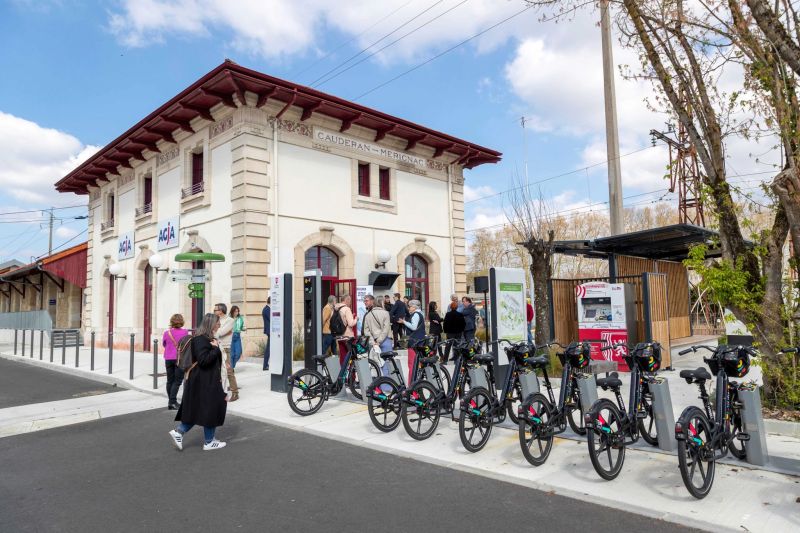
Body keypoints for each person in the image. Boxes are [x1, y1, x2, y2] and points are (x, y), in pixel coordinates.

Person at [168, 313, 228, 451]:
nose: (219, 325)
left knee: (200, 409)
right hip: (204, 381)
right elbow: (203, 360)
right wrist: (215, 349)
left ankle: (180, 432)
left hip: (204, 380)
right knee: (210, 408)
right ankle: (208, 441)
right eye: (218, 322)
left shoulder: (206, 339)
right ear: (211, 324)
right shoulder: (201, 340)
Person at [162, 313, 189, 410]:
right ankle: (172, 402)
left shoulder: (166, 333)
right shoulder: (185, 332)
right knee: (177, 381)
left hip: (168, 358)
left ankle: (171, 401)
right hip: (179, 359)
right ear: (182, 322)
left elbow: (164, 344)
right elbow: (186, 345)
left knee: (170, 380)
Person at [361, 294, 392, 376]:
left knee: (375, 364)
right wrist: (379, 341)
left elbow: (366, 331)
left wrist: (373, 342)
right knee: (386, 363)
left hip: (373, 342)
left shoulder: (368, 315)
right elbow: (386, 330)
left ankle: (377, 383)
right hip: (385, 340)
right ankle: (387, 386)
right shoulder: (386, 313)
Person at [214, 303, 239, 400]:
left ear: (221, 310)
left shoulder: (230, 320)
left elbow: (219, 333)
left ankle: (235, 392)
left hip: (225, 348)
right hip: (215, 346)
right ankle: (220, 392)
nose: (214, 311)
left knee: (229, 371)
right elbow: (214, 332)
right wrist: (219, 333)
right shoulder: (215, 319)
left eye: (216, 310)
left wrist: (218, 332)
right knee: (217, 371)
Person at [398, 299, 425, 383]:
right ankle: (417, 381)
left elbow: (413, 327)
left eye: (409, 306)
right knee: (417, 363)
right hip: (419, 341)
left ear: (414, 307)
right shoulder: (420, 314)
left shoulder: (416, 314)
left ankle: (411, 383)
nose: (408, 308)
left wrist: (404, 322)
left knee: (412, 363)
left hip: (414, 342)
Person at [336, 295, 357, 361]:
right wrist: (356, 319)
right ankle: (351, 371)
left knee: (343, 356)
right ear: (346, 300)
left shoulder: (336, 308)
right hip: (348, 336)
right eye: (350, 301)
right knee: (351, 355)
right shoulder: (347, 309)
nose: (350, 303)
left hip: (339, 336)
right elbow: (351, 324)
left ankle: (343, 370)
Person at [262, 297, 271, 371]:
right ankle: (265, 365)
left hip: (270, 331)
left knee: (270, 348)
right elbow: (272, 319)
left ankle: (266, 365)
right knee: (268, 349)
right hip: (270, 331)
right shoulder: (267, 309)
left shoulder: (267, 309)